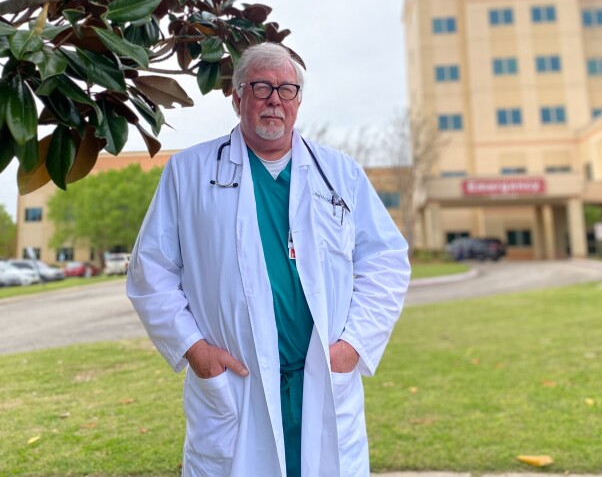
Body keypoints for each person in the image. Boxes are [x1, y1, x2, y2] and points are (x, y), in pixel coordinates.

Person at [127, 43, 410, 477]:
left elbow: (386, 261)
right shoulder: (189, 173)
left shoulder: (341, 173)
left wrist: (354, 346)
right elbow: (151, 270)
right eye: (261, 87)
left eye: (287, 89)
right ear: (238, 97)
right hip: (237, 384)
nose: (275, 99)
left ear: (298, 101)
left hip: (320, 377)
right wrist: (195, 350)